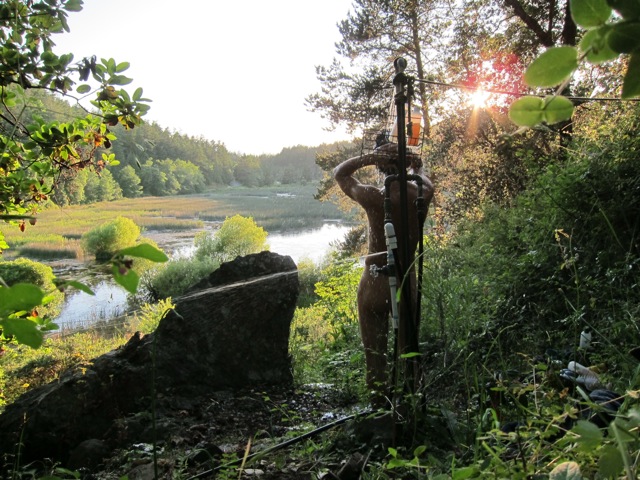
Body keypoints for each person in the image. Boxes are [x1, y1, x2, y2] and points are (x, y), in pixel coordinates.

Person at [333, 143, 434, 407]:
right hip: (405, 278)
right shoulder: (422, 192)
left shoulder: (374, 196)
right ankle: (411, 408)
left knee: (374, 357)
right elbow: (422, 174)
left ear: (379, 166)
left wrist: (369, 157)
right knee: (408, 351)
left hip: (374, 279)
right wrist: (415, 164)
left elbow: (340, 174)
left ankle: (378, 409)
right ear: (406, 163)